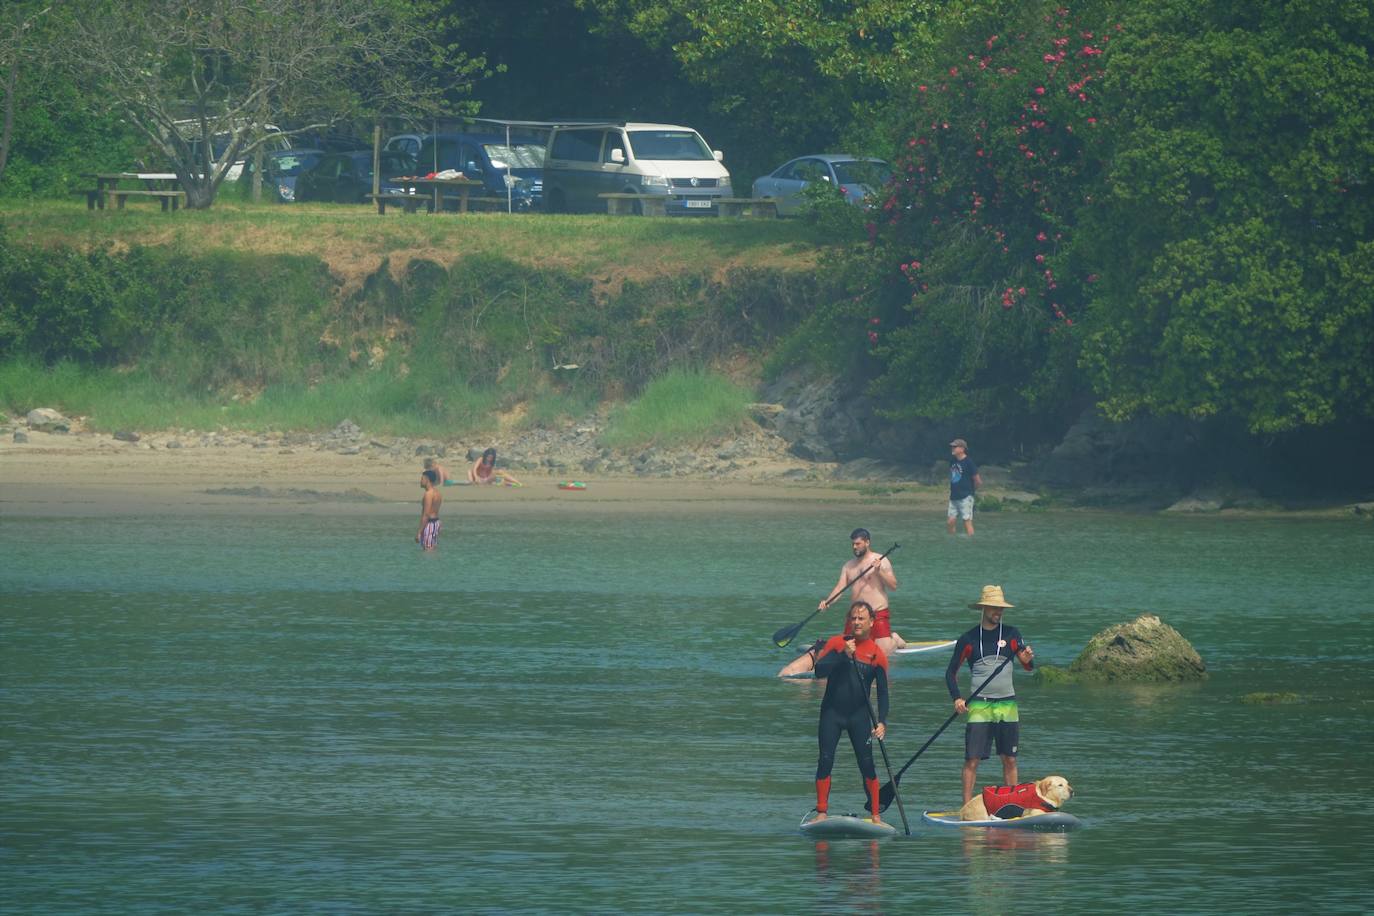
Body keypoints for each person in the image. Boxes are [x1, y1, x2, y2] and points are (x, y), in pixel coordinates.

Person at [946, 585, 1034, 804]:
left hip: (1007, 705)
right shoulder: (968, 639)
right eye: (994, 608)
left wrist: (1026, 659)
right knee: (972, 760)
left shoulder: (1013, 634)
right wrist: (957, 698)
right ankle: (966, 806)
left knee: (1010, 759)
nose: (998, 612)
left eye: (1000, 608)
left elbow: (1029, 666)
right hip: (979, 706)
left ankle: (1013, 805)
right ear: (983, 608)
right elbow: (950, 673)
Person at [777, 528, 904, 677]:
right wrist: (828, 601)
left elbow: (894, 586)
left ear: (867, 542)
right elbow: (840, 588)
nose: (854, 547)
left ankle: (894, 639)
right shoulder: (848, 566)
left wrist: (879, 571)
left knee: (883, 652)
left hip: (878, 614)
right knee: (848, 650)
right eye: (853, 544)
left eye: (858, 543)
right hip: (855, 615)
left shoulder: (881, 560)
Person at [809, 601, 890, 823]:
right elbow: (819, 671)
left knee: (867, 764)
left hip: (860, 717)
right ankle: (821, 813)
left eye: (861, 618)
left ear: (872, 622)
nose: (856, 622)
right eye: (853, 618)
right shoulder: (837, 643)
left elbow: (883, 693)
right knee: (825, 760)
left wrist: (882, 722)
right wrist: (843, 654)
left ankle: (875, 815)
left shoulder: (877, 654)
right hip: (831, 714)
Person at [947, 438, 982, 536]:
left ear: (962, 449)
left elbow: (978, 481)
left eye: (955, 446)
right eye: (952, 447)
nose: (952, 448)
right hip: (953, 496)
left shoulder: (969, 462)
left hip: (966, 497)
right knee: (950, 521)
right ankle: (952, 541)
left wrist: (971, 492)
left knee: (966, 521)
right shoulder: (953, 461)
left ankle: (970, 541)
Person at [416, 469, 443, 550]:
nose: (420, 481)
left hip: (430, 524)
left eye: (422, 479)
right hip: (436, 523)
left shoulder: (428, 494)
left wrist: (419, 532)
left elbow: (426, 514)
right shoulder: (437, 493)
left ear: (427, 480)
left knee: (428, 550)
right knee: (432, 549)